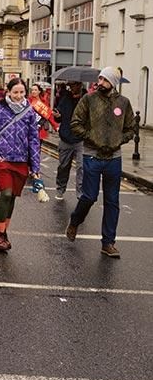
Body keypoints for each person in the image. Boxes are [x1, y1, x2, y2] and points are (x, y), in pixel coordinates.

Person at [65, 67, 135, 258]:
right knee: (89, 196)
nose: (100, 82)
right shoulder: (89, 100)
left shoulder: (123, 102)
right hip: (92, 155)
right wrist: (91, 138)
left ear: (113, 82)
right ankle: (75, 220)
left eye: (105, 79)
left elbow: (131, 128)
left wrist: (118, 141)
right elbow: (75, 123)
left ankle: (108, 243)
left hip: (114, 158)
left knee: (112, 201)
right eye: (100, 78)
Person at [0, 78, 41, 252]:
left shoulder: (30, 111)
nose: (19, 96)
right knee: (6, 194)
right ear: (8, 92)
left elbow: (33, 140)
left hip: (21, 161)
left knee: (13, 197)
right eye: (15, 92)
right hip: (2, 161)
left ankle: (3, 232)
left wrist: (35, 167)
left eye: (22, 92)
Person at [52, 81, 86, 200]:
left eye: (74, 85)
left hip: (81, 139)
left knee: (82, 167)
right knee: (63, 166)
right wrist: (57, 116)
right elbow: (59, 117)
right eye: (70, 86)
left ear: (80, 85)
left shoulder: (86, 99)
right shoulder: (65, 98)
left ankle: (80, 193)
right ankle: (60, 188)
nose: (71, 88)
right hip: (66, 138)